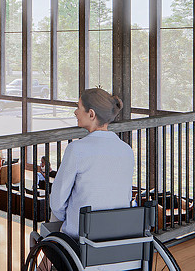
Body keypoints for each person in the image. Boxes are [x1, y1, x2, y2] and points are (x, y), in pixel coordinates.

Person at [47, 88, 135, 240]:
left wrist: (66, 216)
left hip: (81, 236)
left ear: (91, 114)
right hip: (118, 233)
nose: (75, 112)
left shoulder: (77, 149)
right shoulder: (126, 150)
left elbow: (57, 201)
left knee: (53, 218)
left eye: (79, 107)